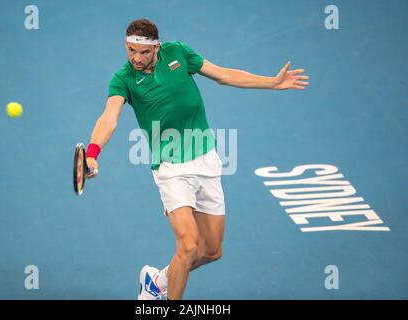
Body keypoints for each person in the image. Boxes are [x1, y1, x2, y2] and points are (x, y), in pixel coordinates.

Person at [84, 19, 309, 300]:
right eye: (131, 51)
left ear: (156, 47)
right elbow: (109, 118)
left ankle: (156, 281)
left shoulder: (178, 52)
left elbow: (223, 75)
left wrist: (272, 83)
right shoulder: (123, 79)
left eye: (143, 52)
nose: (136, 58)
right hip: (170, 168)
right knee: (188, 245)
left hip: (206, 160)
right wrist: (93, 152)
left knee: (212, 251)